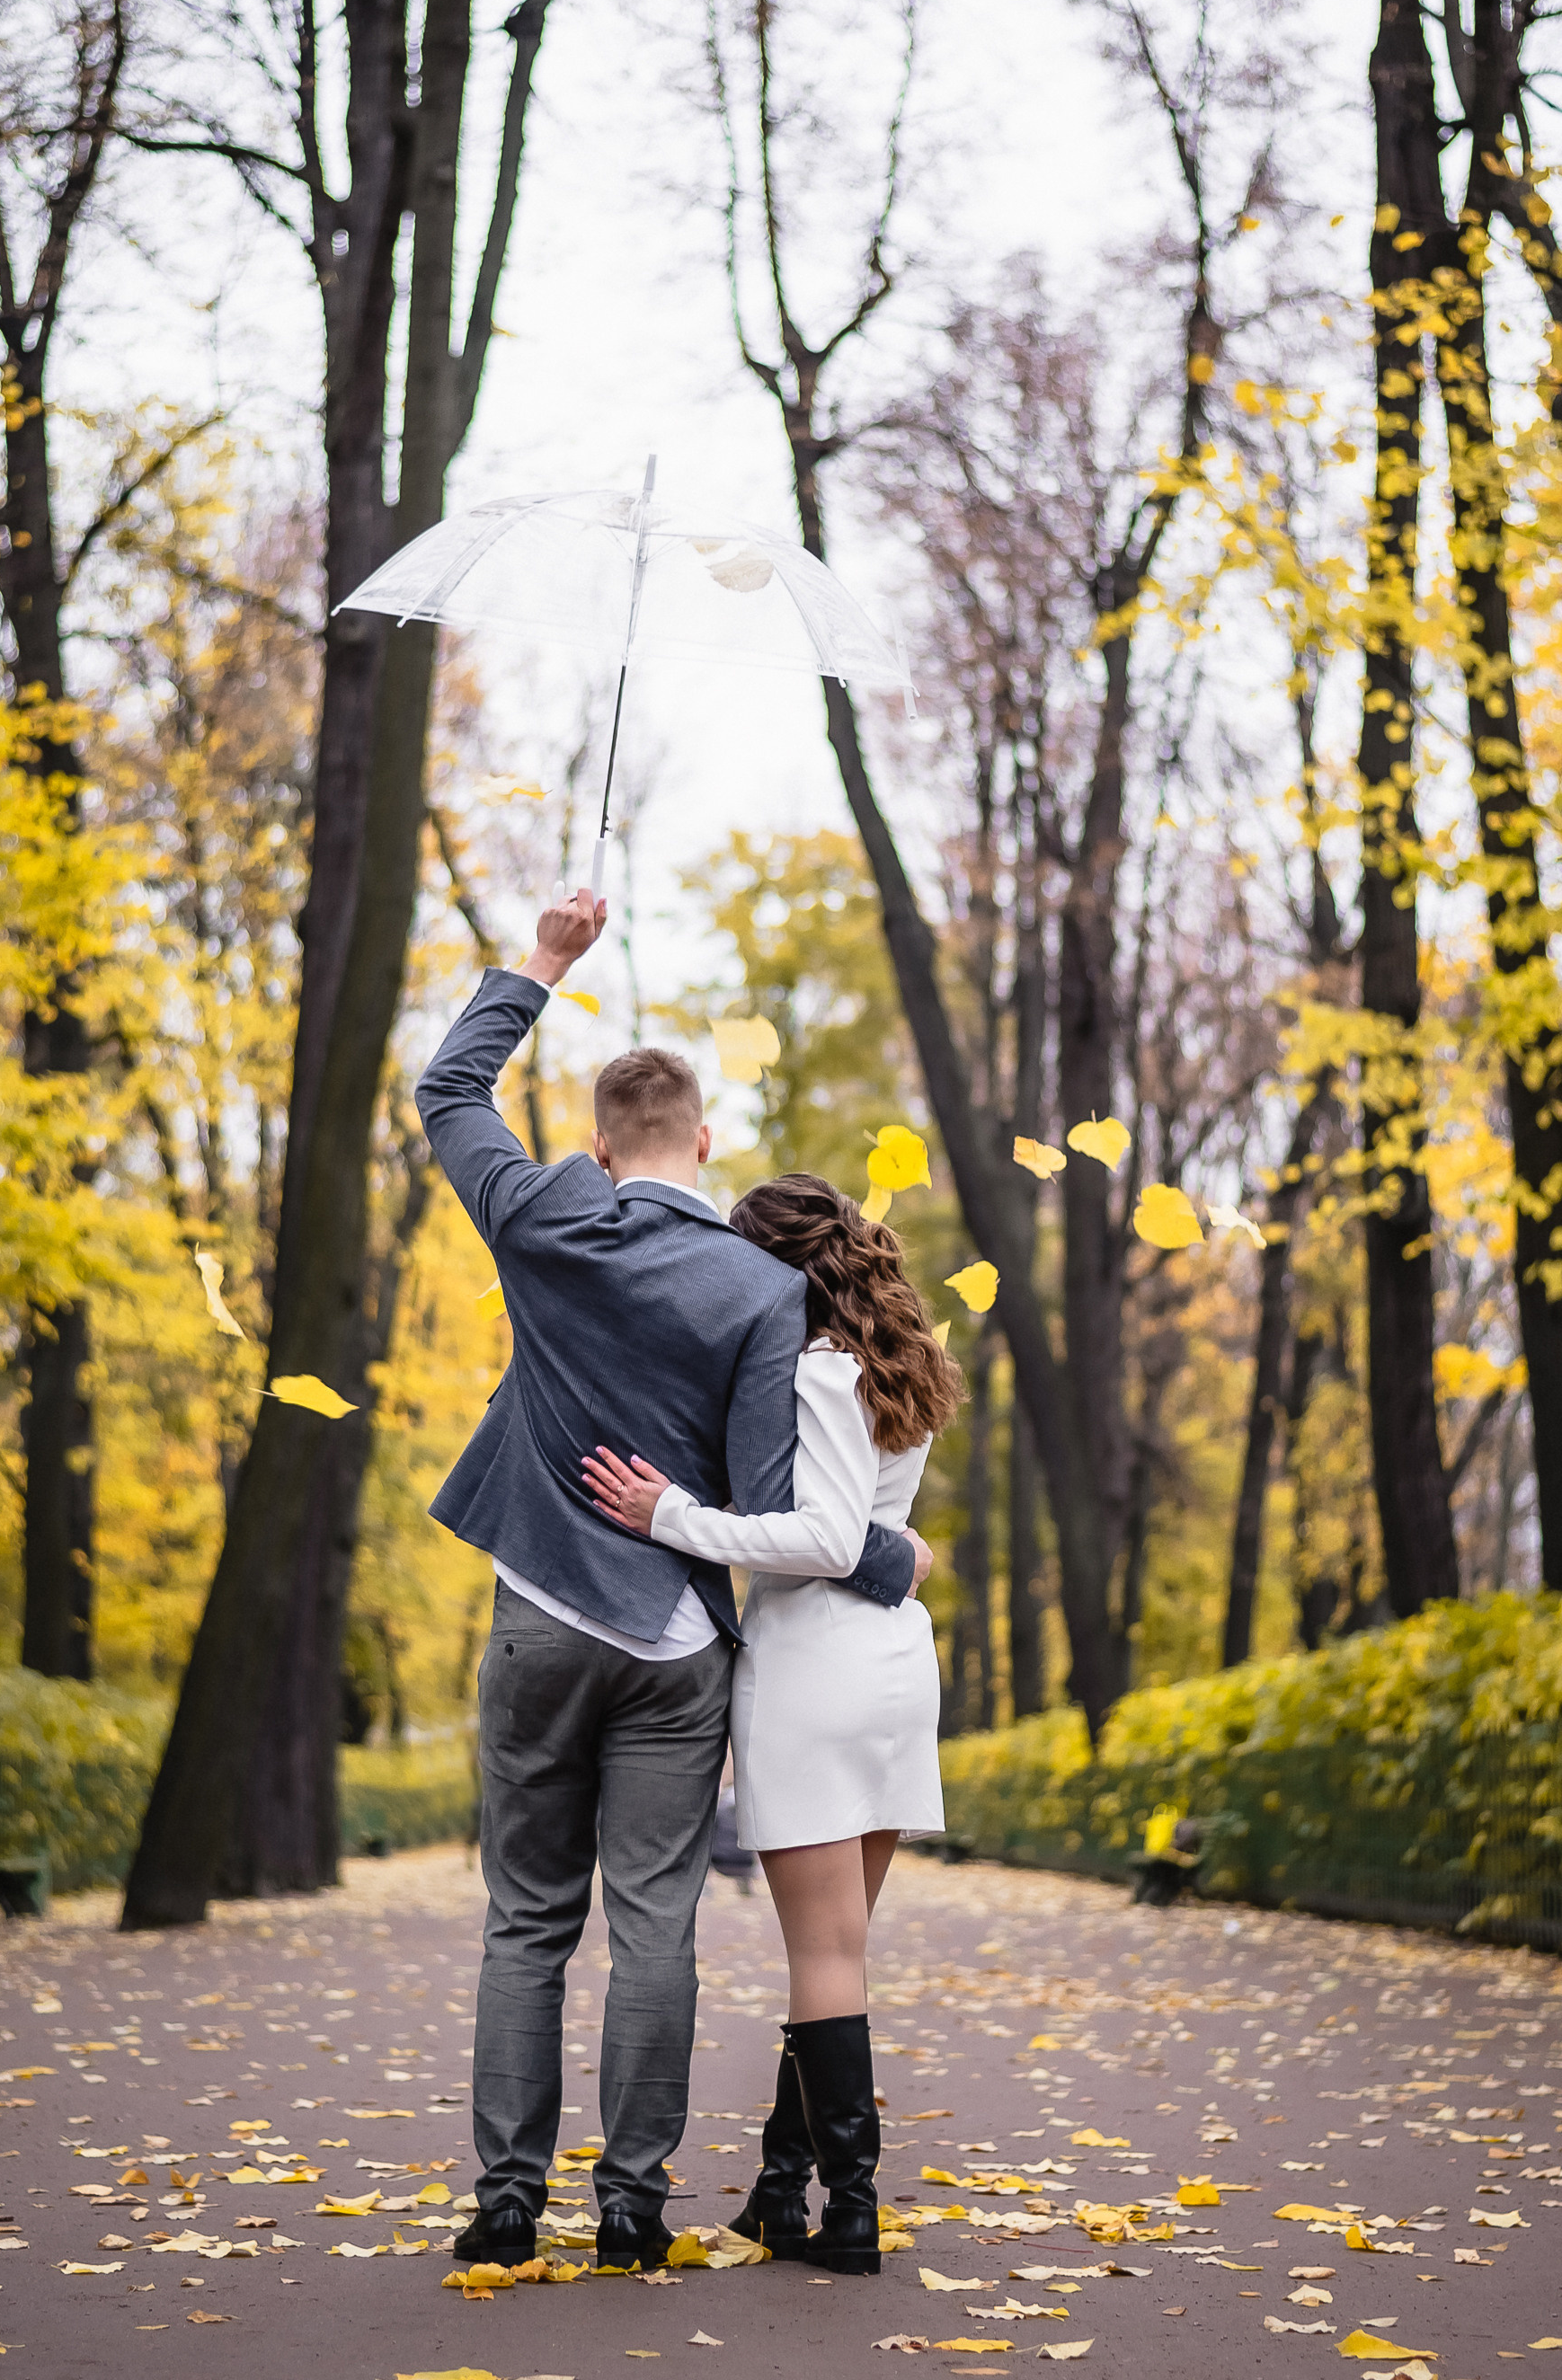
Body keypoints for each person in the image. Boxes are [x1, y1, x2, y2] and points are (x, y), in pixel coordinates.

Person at [413, 890, 929, 2275]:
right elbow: (779, 1504)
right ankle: (632, 2206)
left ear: (597, 1143)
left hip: (538, 1618)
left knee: (524, 1921)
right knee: (656, 1925)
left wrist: (547, 960)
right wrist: (887, 1550)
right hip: (676, 1645)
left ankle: (508, 2201)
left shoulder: (537, 1216)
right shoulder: (760, 1291)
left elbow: (447, 1086)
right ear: (705, 1145)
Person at [584, 1172, 963, 2275]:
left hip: (816, 1665)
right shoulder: (893, 1360)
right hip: (892, 1668)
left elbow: (830, 1537)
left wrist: (674, 1517)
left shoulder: (816, 1370)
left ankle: (851, 2210)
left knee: (824, 1959)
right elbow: (877, 1530)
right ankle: (779, 2192)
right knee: (838, 1955)